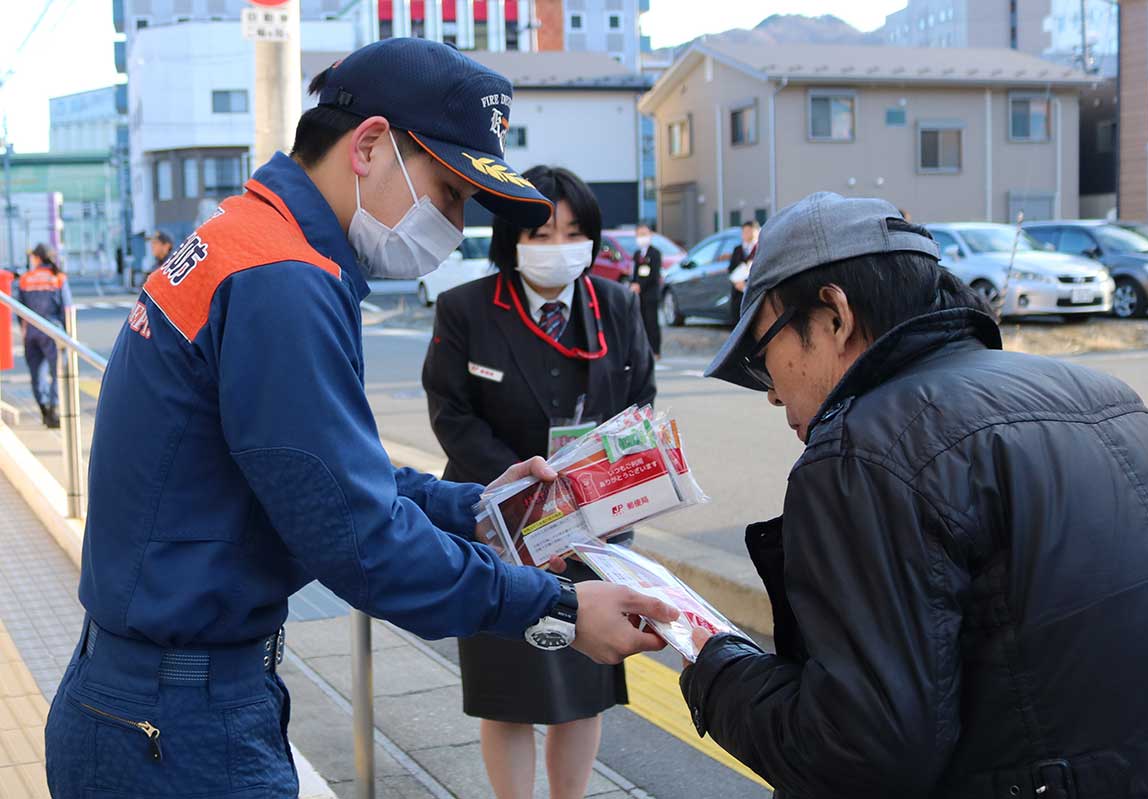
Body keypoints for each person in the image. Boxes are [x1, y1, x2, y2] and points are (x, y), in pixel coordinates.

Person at [44, 38, 677, 799]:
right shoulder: (284, 280)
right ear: (371, 146)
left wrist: (474, 508)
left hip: (146, 697)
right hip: (179, 723)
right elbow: (361, 539)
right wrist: (563, 610)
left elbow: (322, 471)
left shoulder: (250, 240)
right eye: (447, 193)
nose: (449, 225)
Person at [684, 192, 1148, 798]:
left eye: (763, 349)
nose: (770, 390)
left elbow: (860, 755)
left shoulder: (864, 449)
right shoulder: (1098, 391)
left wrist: (716, 671)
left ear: (833, 316)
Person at [422, 165, 656, 799]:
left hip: (590, 525)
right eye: (543, 233)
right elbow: (451, 412)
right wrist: (523, 493)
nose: (560, 248)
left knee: (581, 689)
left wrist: (598, 481)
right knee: (508, 691)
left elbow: (639, 403)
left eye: (575, 233)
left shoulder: (617, 304)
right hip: (498, 525)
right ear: (511, 238)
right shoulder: (465, 308)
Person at [14, 243, 71, 428]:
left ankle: (44, 409)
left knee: (36, 373)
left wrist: (23, 329)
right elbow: (66, 308)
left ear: (38, 258)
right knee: (58, 372)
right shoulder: (58, 278)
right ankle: (54, 411)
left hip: (31, 331)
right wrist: (68, 334)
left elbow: (19, 310)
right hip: (52, 330)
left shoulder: (25, 279)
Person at [629, 222, 662, 358]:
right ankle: (642, 349)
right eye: (639, 235)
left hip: (650, 293)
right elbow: (635, 272)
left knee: (651, 322)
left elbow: (653, 274)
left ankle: (655, 350)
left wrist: (640, 285)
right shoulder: (637, 254)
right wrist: (633, 284)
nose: (641, 237)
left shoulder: (655, 253)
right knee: (640, 323)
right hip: (638, 295)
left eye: (644, 234)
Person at [727, 220, 758, 322]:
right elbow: (731, 269)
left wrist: (746, 285)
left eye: (749, 231)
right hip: (738, 292)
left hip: (753, 290)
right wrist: (737, 283)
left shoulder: (760, 248)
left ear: (756, 231)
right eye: (744, 231)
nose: (746, 234)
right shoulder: (737, 249)